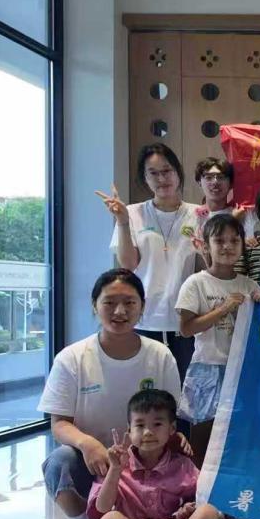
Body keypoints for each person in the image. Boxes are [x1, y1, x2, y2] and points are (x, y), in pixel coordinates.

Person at [38, 269, 182, 519]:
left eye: (129, 302)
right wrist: (88, 444)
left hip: (145, 459)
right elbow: (59, 423)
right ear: (95, 306)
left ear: (142, 307)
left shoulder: (160, 355)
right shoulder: (72, 358)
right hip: (95, 461)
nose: (120, 311)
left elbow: (171, 418)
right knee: (58, 462)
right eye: (110, 302)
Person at [93, 389, 221, 519]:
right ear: (129, 430)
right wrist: (115, 470)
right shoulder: (117, 463)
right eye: (140, 425)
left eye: (157, 424)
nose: (148, 432)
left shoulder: (182, 465)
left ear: (172, 429)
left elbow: (201, 499)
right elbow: (102, 507)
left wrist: (188, 509)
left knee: (208, 511)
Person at [97, 142, 202, 379]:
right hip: (143, 319)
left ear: (178, 172)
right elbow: (128, 264)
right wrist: (123, 222)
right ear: (145, 178)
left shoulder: (198, 214)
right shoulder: (132, 213)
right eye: (153, 173)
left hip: (184, 321)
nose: (161, 179)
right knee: (144, 390)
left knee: (182, 391)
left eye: (167, 171)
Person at [176, 214, 260, 464]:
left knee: (240, 437)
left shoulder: (249, 285)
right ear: (206, 246)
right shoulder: (196, 283)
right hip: (208, 366)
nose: (227, 246)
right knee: (203, 439)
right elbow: (186, 329)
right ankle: (199, 485)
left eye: (234, 241)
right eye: (219, 240)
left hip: (242, 370)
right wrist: (223, 309)